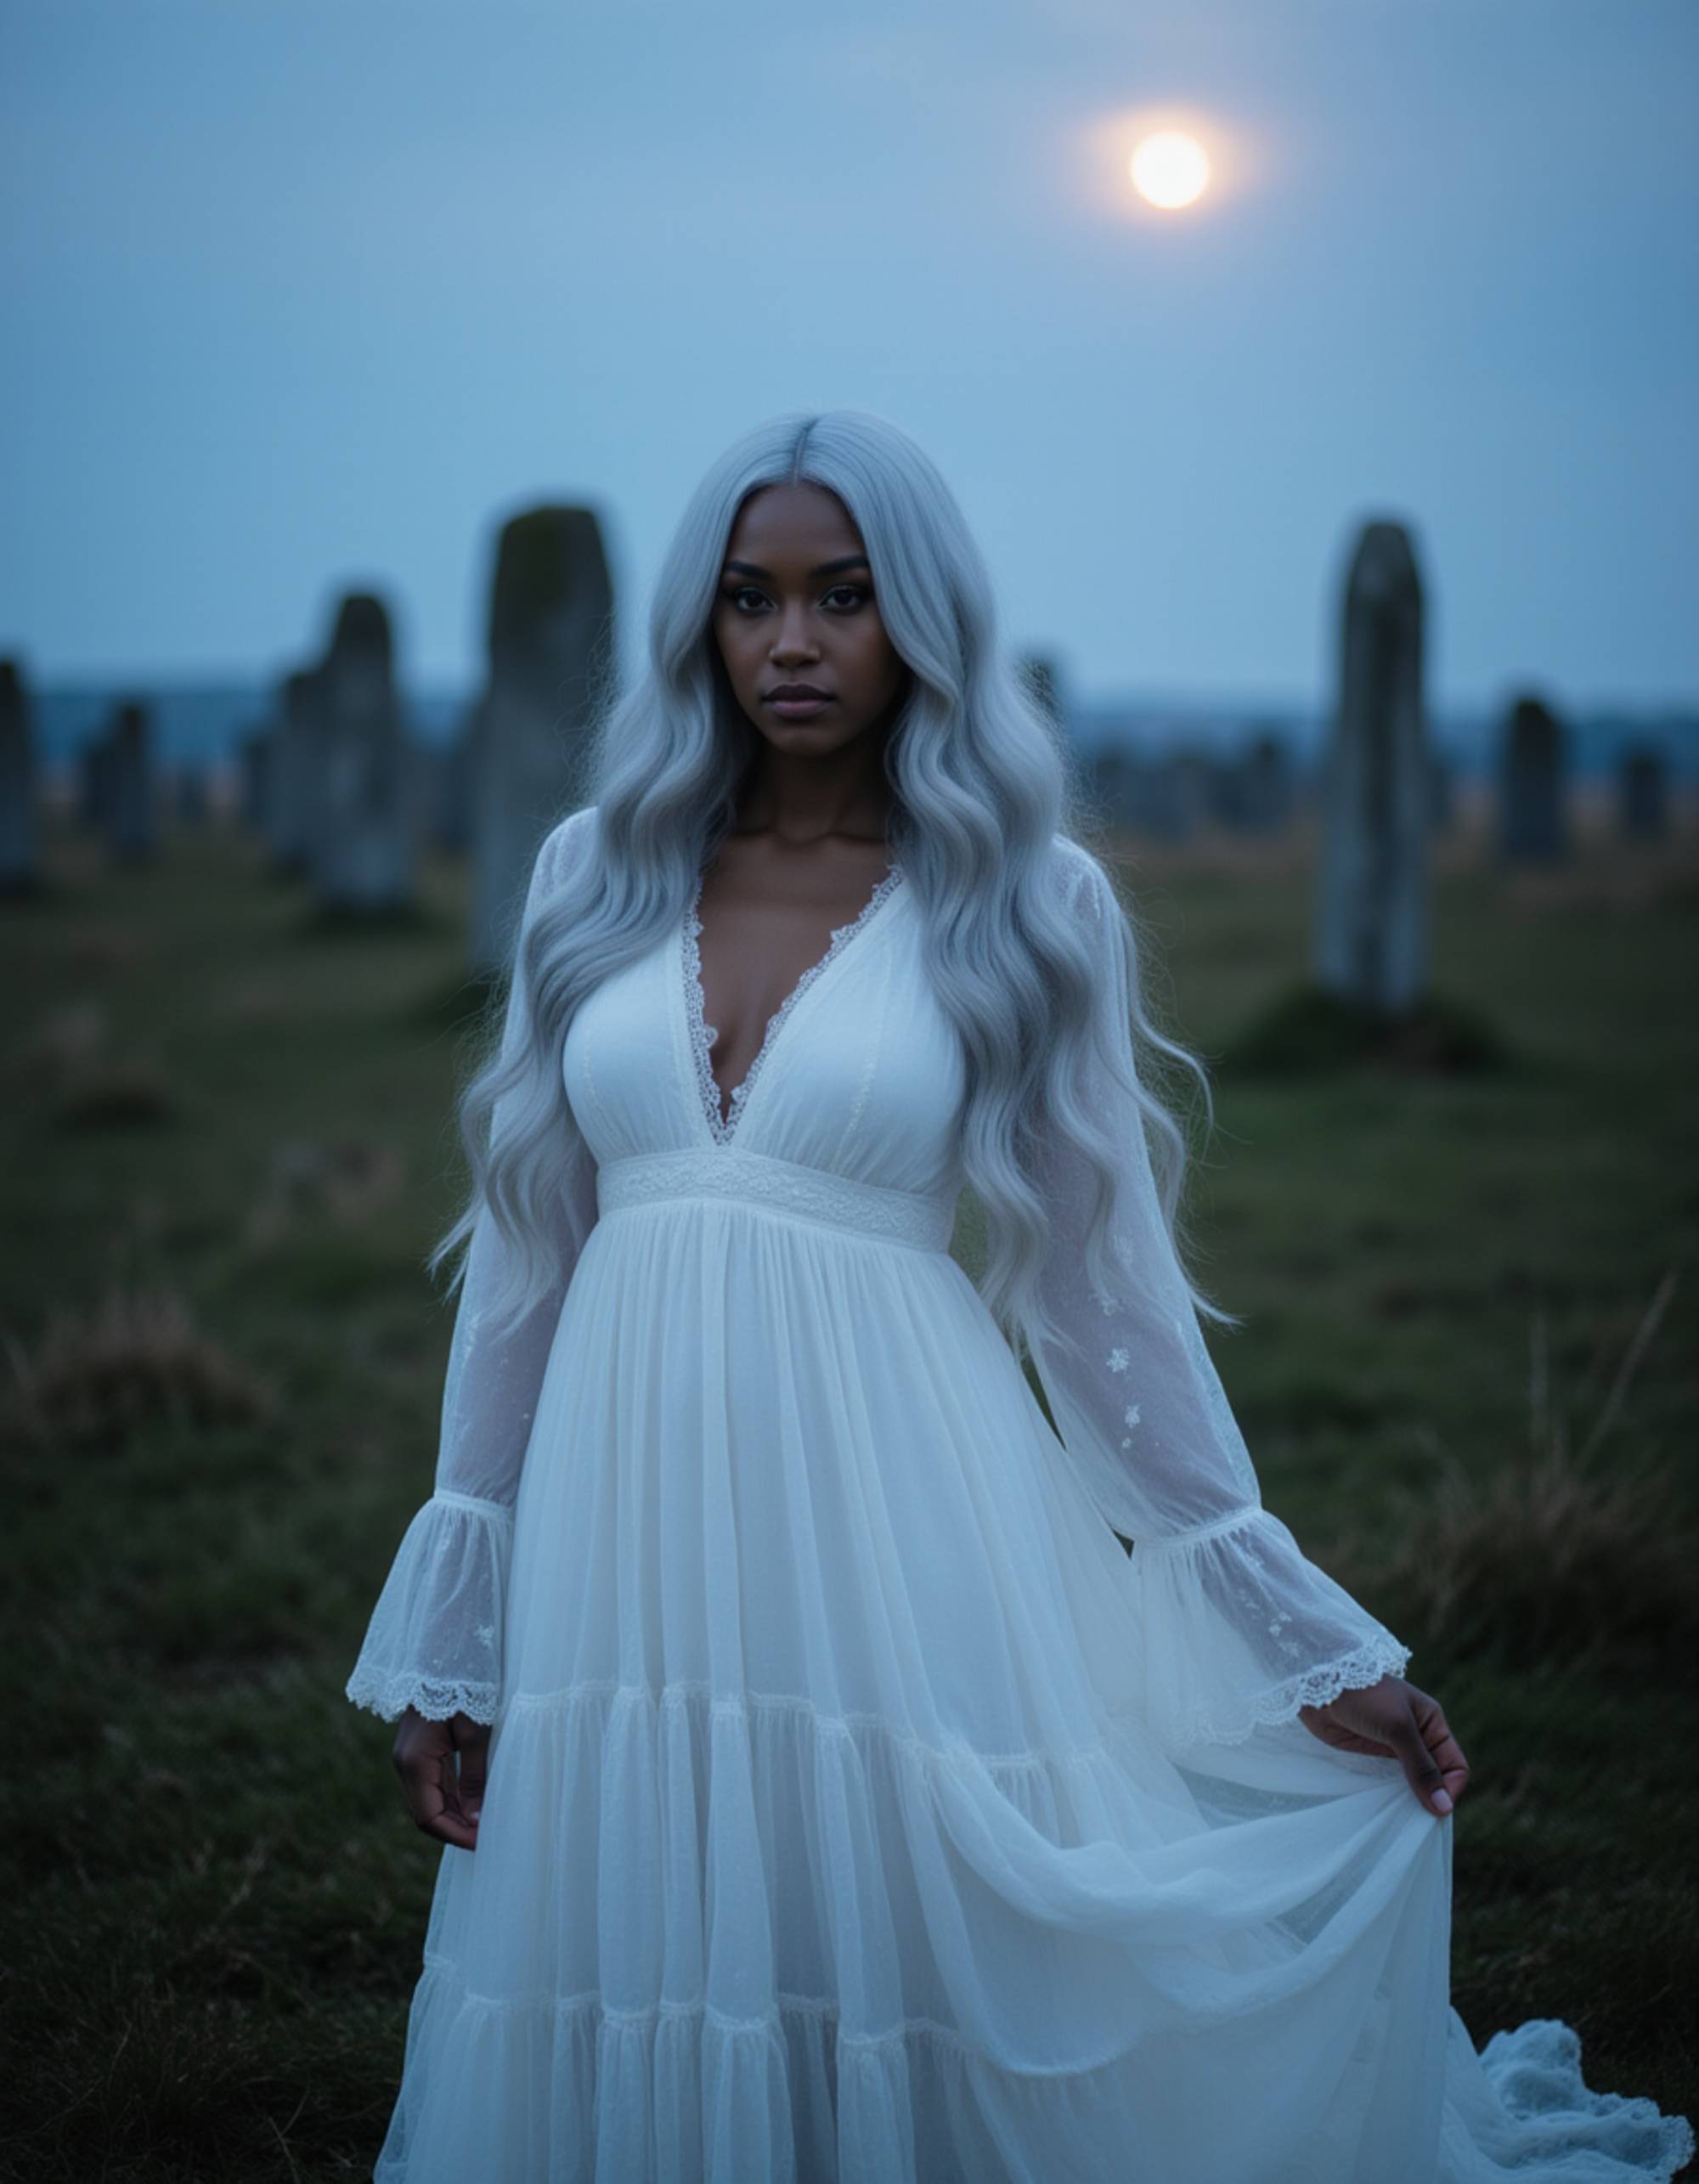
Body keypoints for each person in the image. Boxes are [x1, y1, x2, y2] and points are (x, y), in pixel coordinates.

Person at [345, 409, 1693, 2183]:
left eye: (845, 595)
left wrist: (1289, 1635)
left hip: (897, 1500)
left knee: (908, 1918)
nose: (795, 642)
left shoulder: (1022, 899)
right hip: (623, 1510)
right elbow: (526, 1250)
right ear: (699, 624)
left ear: (921, 618)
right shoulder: (590, 876)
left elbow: (1099, 1293)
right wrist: (463, 1596)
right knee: (650, 1915)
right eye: (751, 598)